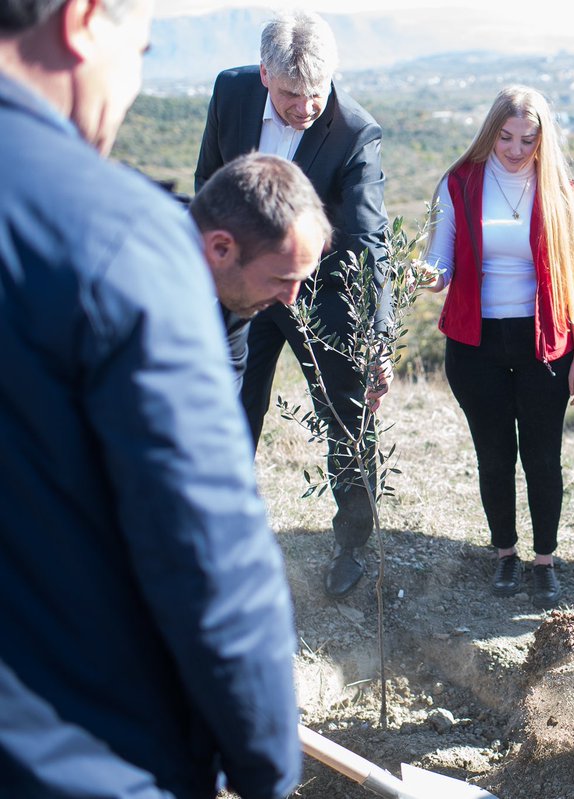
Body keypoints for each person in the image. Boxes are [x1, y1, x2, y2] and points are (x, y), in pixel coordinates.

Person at [0, 1, 300, 795]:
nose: (130, 82)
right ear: (82, 19)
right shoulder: (120, 241)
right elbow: (205, 549)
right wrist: (266, 761)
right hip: (77, 754)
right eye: (139, 47)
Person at [195, 10, 391, 598]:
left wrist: (373, 339)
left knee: (346, 421)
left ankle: (353, 544)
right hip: (238, 292)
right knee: (226, 414)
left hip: (324, 300)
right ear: (262, 75)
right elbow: (209, 184)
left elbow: (368, 241)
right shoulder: (230, 93)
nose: (306, 107)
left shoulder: (356, 131)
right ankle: (217, 534)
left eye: (317, 92)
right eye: (290, 94)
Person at [426, 86, 574, 609]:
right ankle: (505, 554)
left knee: (543, 457)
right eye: (506, 137)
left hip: (545, 340)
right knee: (494, 456)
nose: (517, 149)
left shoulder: (559, 187)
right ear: (490, 131)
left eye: (529, 139)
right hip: (476, 344)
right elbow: (441, 261)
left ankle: (545, 560)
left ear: (543, 139)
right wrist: (424, 275)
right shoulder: (459, 182)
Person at [190, 153, 333, 392]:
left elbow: (219, 398)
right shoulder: (126, 280)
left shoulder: (234, 291)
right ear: (222, 248)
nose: (289, 299)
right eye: (281, 279)